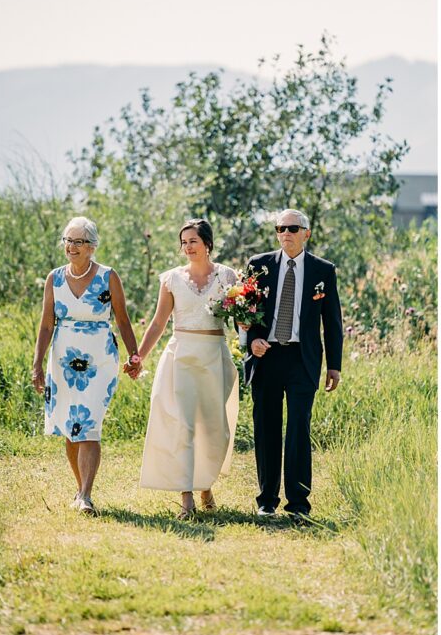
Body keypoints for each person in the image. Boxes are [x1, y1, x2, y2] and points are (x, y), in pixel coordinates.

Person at [32, 216, 140, 515]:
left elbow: (122, 319)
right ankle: (81, 491)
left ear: (92, 247)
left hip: (100, 360)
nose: (71, 246)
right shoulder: (54, 278)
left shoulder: (108, 277)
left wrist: (134, 355)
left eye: (78, 241)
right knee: (70, 426)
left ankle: (86, 495)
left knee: (88, 422)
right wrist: (37, 364)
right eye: (68, 240)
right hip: (63, 360)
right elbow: (45, 325)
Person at [241, 208, 343, 523]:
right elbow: (245, 310)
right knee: (267, 428)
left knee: (299, 428)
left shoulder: (322, 270)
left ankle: (298, 504)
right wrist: (252, 340)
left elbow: (333, 321)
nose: (286, 233)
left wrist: (334, 365)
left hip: (303, 359)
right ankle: (266, 501)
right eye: (280, 228)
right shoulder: (259, 265)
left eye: (293, 228)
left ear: (306, 233)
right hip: (266, 356)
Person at [136, 219, 240, 518]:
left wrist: (248, 325)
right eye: (183, 242)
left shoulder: (227, 276)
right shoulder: (171, 279)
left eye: (193, 240)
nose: (187, 247)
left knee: (214, 428)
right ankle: (187, 498)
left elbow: (240, 316)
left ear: (207, 243)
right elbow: (158, 323)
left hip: (213, 357)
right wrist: (139, 356)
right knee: (183, 425)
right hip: (180, 356)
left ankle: (205, 483)